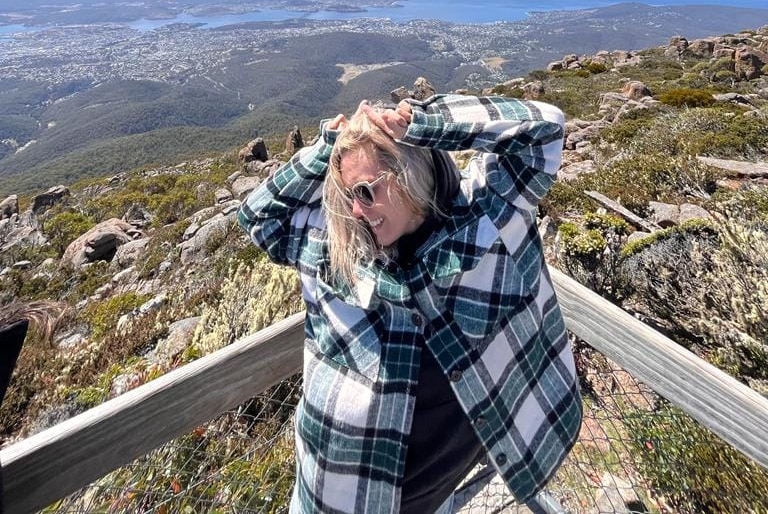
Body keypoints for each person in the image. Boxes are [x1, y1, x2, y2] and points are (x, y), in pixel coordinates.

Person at [238, 92, 582, 514]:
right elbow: (258, 217)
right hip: (339, 500)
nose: (357, 212)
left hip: (437, 495)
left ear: (408, 173)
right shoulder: (332, 250)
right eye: (348, 196)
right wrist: (325, 149)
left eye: (366, 192)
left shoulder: (486, 221)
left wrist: (424, 124)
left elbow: (543, 129)